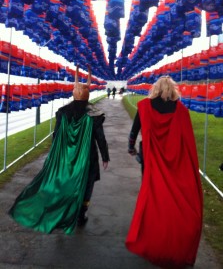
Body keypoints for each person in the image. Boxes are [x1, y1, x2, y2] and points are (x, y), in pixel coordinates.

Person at [8, 64, 110, 234]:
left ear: (73, 93)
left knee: (65, 181)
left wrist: (55, 155)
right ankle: (81, 214)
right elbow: (100, 137)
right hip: (88, 157)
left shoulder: (63, 112)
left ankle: (63, 210)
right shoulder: (94, 114)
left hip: (65, 156)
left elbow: (56, 135)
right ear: (87, 94)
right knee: (86, 184)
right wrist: (105, 156)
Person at [126, 76, 203, 268]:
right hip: (174, 160)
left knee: (152, 193)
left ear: (156, 88)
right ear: (173, 90)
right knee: (171, 196)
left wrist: (131, 147)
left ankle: (153, 234)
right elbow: (188, 141)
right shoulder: (181, 111)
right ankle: (169, 234)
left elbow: (135, 130)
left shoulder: (144, 106)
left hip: (150, 158)